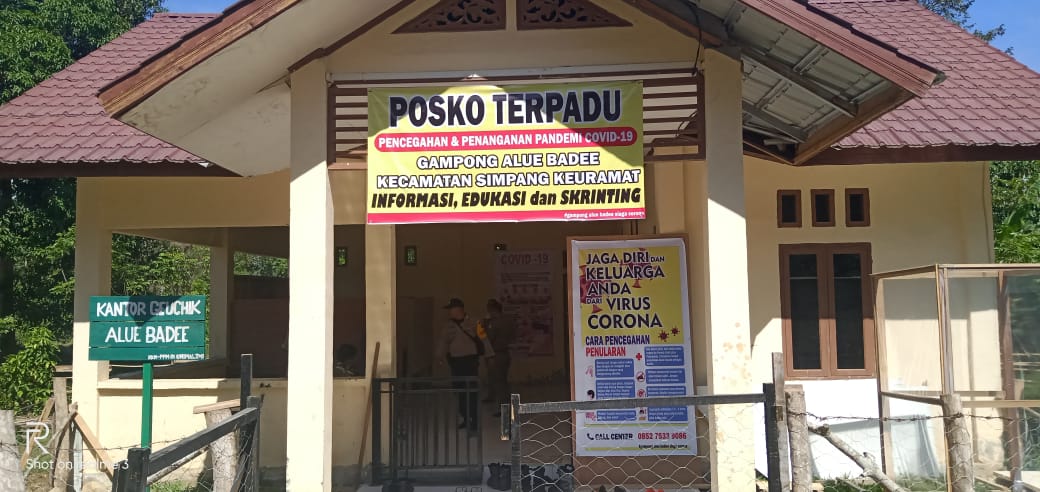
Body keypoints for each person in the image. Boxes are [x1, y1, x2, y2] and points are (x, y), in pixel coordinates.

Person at [437, 297, 482, 433]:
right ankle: (466, 417)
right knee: (460, 391)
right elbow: (443, 342)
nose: (449, 312)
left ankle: (474, 421)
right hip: (456, 362)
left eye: (451, 309)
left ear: (458, 309)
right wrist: (439, 356)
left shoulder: (474, 323)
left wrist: (489, 356)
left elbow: (484, 339)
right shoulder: (448, 326)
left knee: (471, 392)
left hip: (470, 361)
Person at [483, 299, 516, 416]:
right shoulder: (508, 321)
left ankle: (504, 409)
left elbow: (488, 337)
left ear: (492, 310)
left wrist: (485, 323)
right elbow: (513, 335)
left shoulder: (493, 323)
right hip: (505, 353)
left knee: (499, 383)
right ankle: (505, 405)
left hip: (495, 354)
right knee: (502, 381)